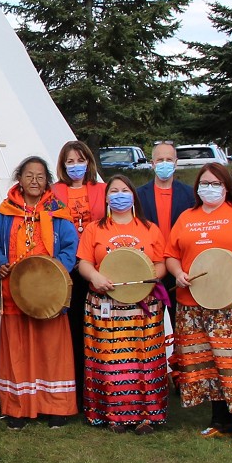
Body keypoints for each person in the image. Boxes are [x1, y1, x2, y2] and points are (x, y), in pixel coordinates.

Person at [164, 162, 232, 448]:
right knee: (209, 363)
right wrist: (178, 273)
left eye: (216, 183)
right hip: (194, 302)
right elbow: (171, 254)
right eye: (205, 183)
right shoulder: (187, 217)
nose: (209, 188)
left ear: (227, 186)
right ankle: (221, 421)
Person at [0, 156, 79, 428]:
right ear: (20, 179)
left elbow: (70, 248)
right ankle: (18, 408)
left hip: (48, 294)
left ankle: (56, 407)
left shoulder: (57, 211)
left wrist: (53, 275)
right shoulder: (6, 212)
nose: (35, 181)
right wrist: (1, 264)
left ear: (47, 180)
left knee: (51, 350)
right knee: (18, 350)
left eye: (40, 176)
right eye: (29, 176)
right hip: (15, 292)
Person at [74, 174, 170, 432]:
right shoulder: (95, 229)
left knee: (143, 360)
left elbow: (162, 263)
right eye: (114, 190)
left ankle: (147, 415)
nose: (119, 195)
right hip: (105, 303)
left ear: (133, 196)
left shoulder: (149, 228)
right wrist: (95, 276)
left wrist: (149, 279)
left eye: (124, 190)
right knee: (108, 360)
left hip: (142, 303)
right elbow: (83, 261)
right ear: (106, 198)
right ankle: (111, 415)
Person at [52, 139, 105, 408]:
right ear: (62, 165)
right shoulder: (54, 191)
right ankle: (74, 386)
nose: (76, 166)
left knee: (94, 327)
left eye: (80, 160)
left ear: (89, 162)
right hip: (66, 268)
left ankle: (97, 386)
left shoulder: (102, 190)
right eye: (70, 161)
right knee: (71, 328)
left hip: (95, 266)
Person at [137, 140, 196, 307]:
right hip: (151, 265)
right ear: (152, 164)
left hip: (180, 268)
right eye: (160, 160)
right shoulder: (138, 195)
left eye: (169, 160)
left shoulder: (190, 194)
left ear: (176, 163)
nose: (165, 164)